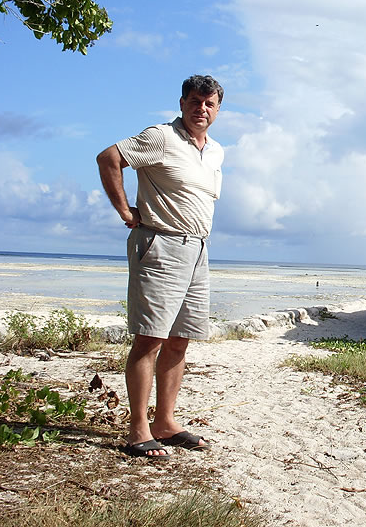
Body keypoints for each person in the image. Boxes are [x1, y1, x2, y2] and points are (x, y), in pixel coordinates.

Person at [97, 75, 225, 459]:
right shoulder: (160, 136)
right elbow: (109, 158)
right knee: (150, 338)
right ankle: (138, 430)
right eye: (194, 101)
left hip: (198, 249)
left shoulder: (216, 150)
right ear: (182, 102)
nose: (200, 108)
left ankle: (165, 422)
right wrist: (124, 209)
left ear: (217, 109)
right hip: (160, 244)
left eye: (209, 103)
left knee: (180, 338)